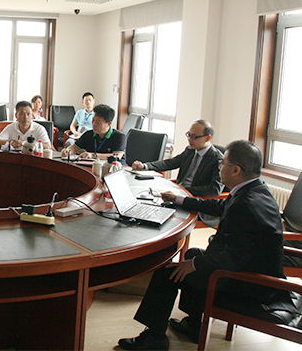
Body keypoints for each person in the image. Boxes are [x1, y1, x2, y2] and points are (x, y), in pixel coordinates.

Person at [118, 140, 295, 350]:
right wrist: (179, 200)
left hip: (249, 285)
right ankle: (195, 324)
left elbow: (234, 258)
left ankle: (154, 340)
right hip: (257, 271)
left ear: (236, 170)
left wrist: (194, 265)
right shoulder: (257, 190)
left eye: (223, 163)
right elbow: (221, 206)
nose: (220, 168)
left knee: (166, 274)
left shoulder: (245, 205)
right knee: (192, 253)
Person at [132, 120, 223, 197]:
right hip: (178, 193)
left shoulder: (217, 159)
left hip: (194, 199)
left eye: (194, 137)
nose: (190, 139)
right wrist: (145, 166)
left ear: (208, 138)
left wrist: (183, 190)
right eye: (189, 135)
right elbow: (170, 163)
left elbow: (215, 190)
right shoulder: (190, 150)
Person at [61, 104, 126, 165]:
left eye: (98, 122)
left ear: (109, 123)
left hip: (114, 168)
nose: (94, 124)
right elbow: (74, 148)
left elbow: (117, 156)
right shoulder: (88, 134)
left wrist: (93, 155)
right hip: (92, 167)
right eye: (93, 120)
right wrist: (67, 151)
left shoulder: (119, 137)